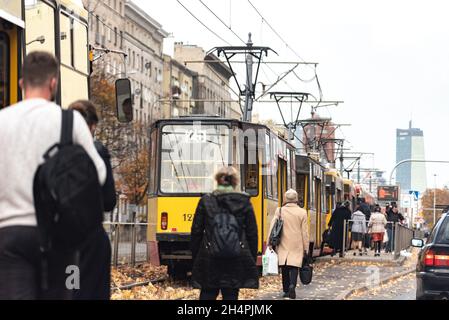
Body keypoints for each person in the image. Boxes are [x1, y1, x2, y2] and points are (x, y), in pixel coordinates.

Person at [0, 51, 106, 299]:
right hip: (62, 239)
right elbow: (98, 175)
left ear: (21, 83)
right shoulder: (70, 121)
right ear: (53, 83)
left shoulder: (2, 121)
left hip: (9, 237)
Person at [68, 100, 116, 300]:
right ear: (92, 126)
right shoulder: (97, 151)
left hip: (61, 240)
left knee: (68, 290)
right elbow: (108, 201)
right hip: (90, 239)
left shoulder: (54, 149)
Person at [190, 167, 258, 300]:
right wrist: (250, 258)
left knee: (208, 293)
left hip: (209, 257)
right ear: (235, 182)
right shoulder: (244, 201)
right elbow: (252, 234)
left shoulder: (206, 201)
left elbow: (196, 231)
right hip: (235, 258)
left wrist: (197, 257)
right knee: (231, 294)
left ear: (217, 180)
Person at [268, 189, 309, 299]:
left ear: (285, 198)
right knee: (294, 265)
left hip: (283, 242)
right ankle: (292, 286)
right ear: (296, 199)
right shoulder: (302, 212)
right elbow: (304, 232)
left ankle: (286, 289)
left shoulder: (280, 210)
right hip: (297, 243)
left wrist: (269, 242)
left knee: (284, 266)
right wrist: (306, 248)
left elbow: (273, 226)